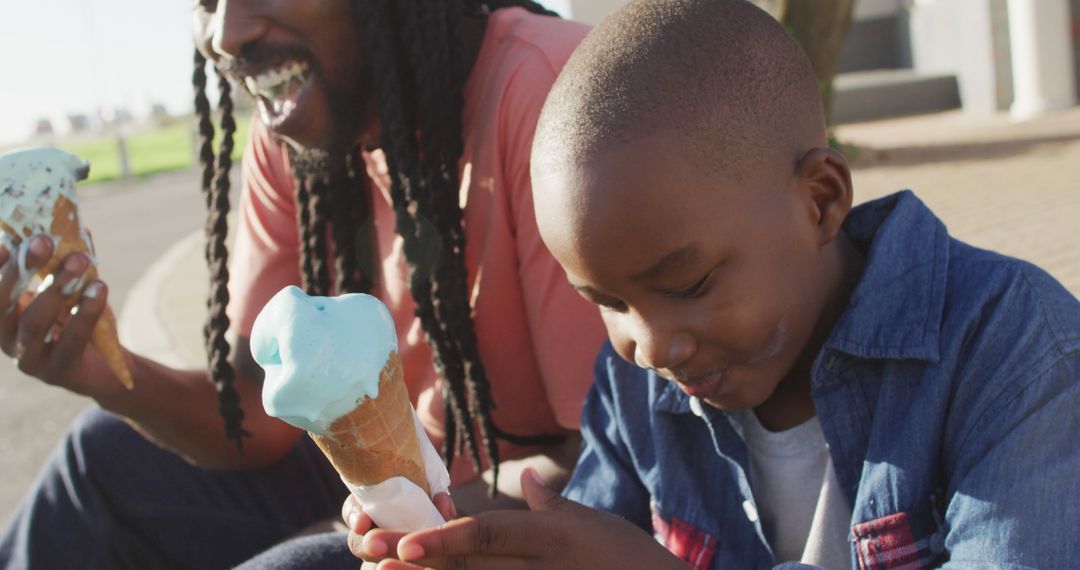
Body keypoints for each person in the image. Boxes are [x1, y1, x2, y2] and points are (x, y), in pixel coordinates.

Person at [350, 0, 1080, 568]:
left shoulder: (1019, 352)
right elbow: (594, 542)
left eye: (690, 282)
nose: (651, 344)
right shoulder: (636, 388)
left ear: (821, 200)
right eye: (607, 302)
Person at [0, 0, 606, 568]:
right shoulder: (293, 134)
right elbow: (257, 415)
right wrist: (105, 375)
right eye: (206, 2)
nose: (228, 32)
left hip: (531, 505)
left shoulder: (555, 96)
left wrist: (353, 529)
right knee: (103, 455)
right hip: (380, 488)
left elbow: (607, 460)